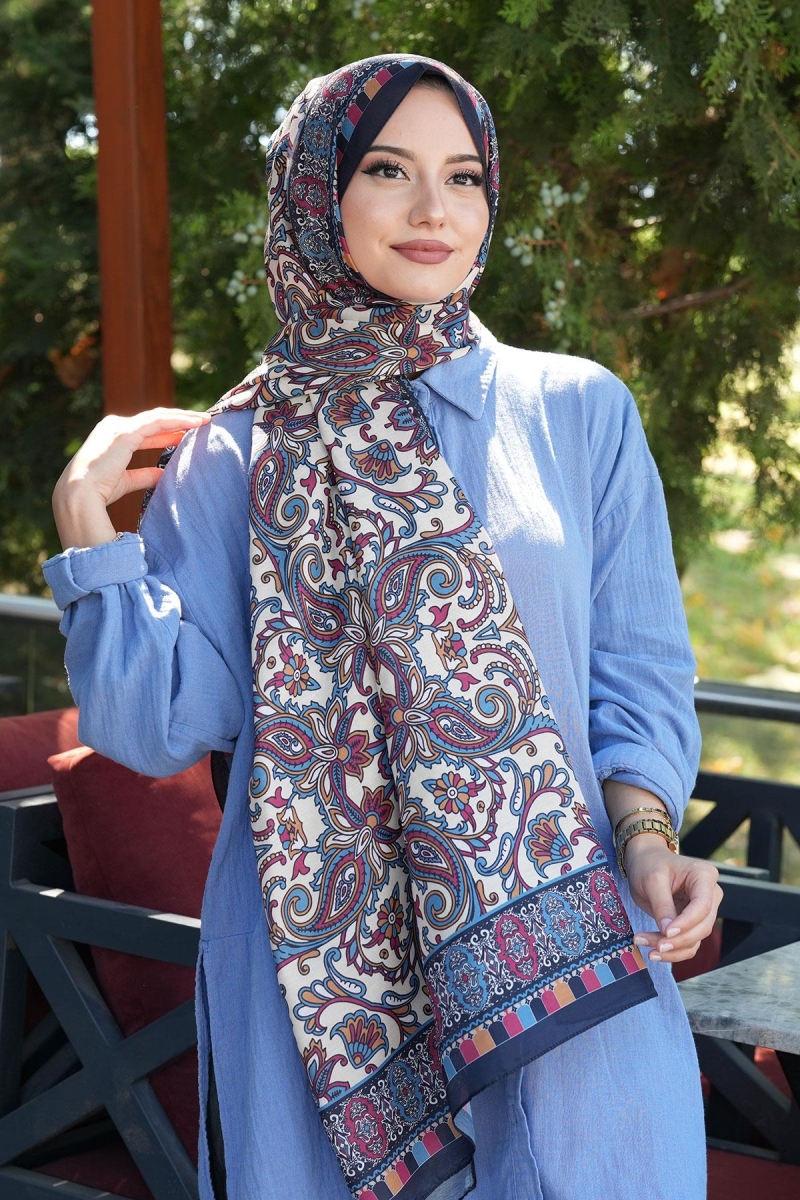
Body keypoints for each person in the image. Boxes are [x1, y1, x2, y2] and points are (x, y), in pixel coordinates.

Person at [45, 54, 722, 1200]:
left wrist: (648, 836)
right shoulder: (238, 451)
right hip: (322, 990)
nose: (431, 210)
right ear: (316, 194)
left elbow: (637, 669)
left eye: (462, 177)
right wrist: (84, 527)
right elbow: (154, 726)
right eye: (387, 171)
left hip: (570, 952)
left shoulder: (575, 410)